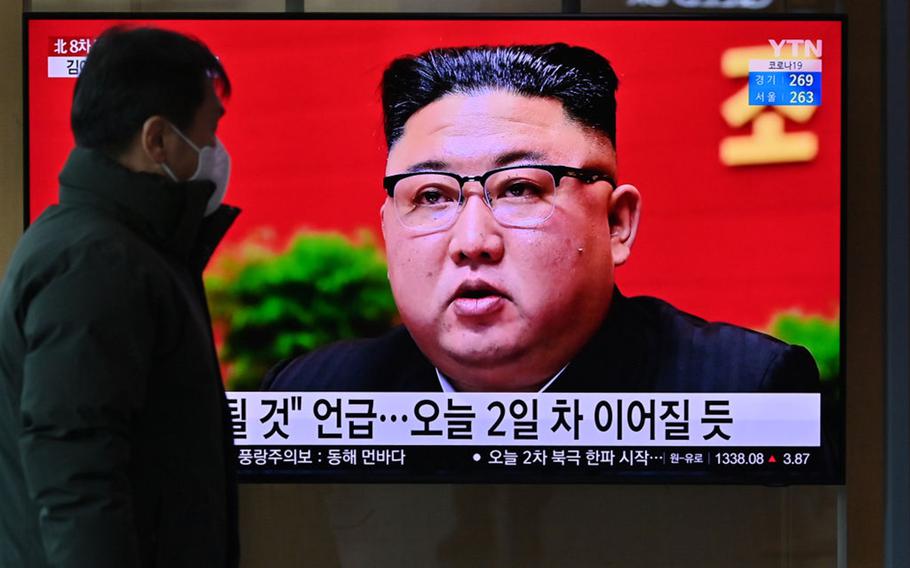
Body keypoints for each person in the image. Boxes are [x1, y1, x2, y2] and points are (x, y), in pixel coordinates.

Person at [264, 43, 819, 394]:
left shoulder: (744, 390)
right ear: (387, 228)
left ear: (617, 223)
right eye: (432, 196)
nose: (472, 241)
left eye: (521, 188)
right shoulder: (313, 394)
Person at [0, 27, 239, 566]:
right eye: (209, 131)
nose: (216, 153)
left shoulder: (127, 247)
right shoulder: (96, 262)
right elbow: (77, 474)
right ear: (157, 139)